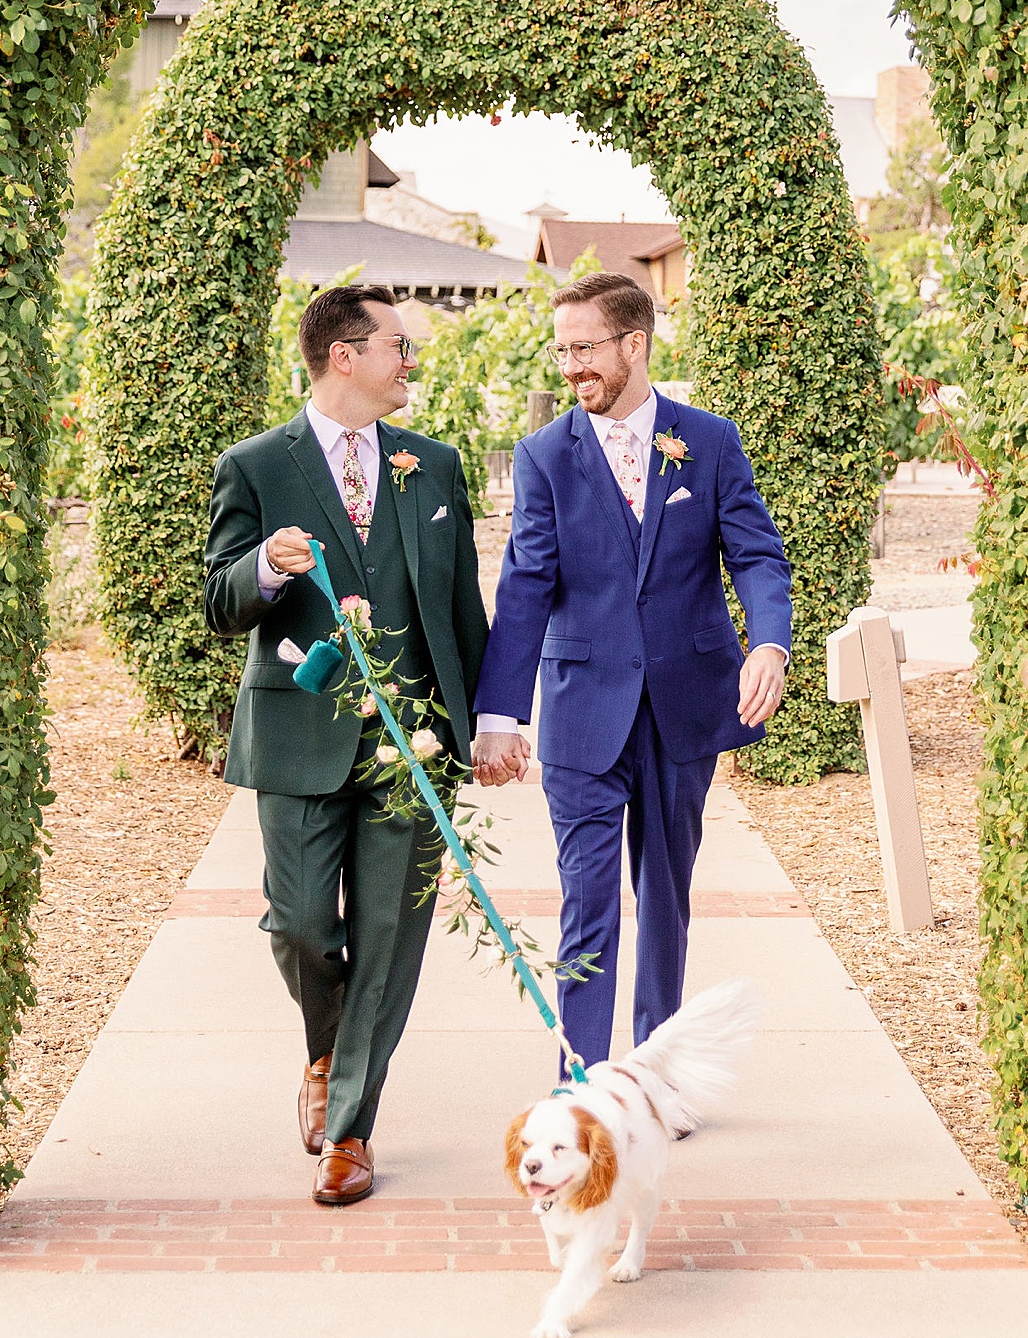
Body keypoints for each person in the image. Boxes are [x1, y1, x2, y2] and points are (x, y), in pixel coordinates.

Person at [204, 283, 488, 1205]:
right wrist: (264, 569)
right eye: (400, 346)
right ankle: (325, 1049)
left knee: (389, 937)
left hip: (414, 742)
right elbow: (219, 602)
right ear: (345, 356)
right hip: (298, 732)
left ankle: (352, 1130)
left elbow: (461, 610)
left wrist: (483, 726)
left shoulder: (433, 465)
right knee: (297, 925)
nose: (412, 362)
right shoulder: (255, 465)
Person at [472, 271, 791, 1069]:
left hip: (685, 706)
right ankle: (581, 1082)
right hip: (583, 712)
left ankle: (654, 1071)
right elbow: (524, 590)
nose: (571, 367)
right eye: (562, 351)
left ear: (634, 344)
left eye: (585, 349)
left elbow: (755, 554)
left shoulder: (708, 442)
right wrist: (498, 717)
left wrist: (769, 643)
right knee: (587, 901)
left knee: (665, 897)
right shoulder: (544, 456)